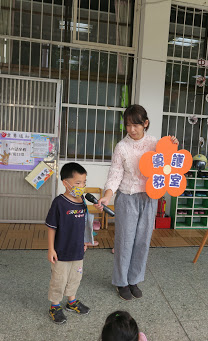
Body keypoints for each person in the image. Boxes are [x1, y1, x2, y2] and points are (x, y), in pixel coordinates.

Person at [96, 104, 178, 300]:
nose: (131, 129)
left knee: (142, 241)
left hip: (150, 198)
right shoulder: (122, 147)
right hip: (127, 197)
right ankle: (121, 282)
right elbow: (115, 174)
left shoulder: (154, 144)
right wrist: (107, 195)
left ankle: (134, 279)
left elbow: (170, 163)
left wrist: (173, 144)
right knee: (124, 241)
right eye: (128, 125)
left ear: (145, 123)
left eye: (136, 125)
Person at [45, 162, 90, 324]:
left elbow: (83, 224)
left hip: (78, 250)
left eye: (84, 182)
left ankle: (71, 301)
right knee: (59, 279)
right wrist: (51, 249)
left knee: (75, 277)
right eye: (78, 183)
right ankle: (55, 306)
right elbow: (51, 227)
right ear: (65, 183)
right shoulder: (59, 202)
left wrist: (85, 241)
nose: (82, 186)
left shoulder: (82, 201)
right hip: (61, 251)